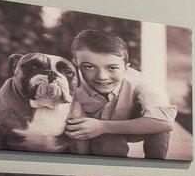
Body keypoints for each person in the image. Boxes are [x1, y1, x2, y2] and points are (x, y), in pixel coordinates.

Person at [61, 26, 179, 159]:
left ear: (125, 68)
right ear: (77, 64)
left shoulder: (140, 81)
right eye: (89, 67)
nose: (102, 76)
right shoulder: (68, 81)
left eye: (112, 68)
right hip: (85, 131)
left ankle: (156, 169)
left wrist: (103, 126)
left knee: (159, 128)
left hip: (130, 126)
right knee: (107, 149)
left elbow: (165, 123)